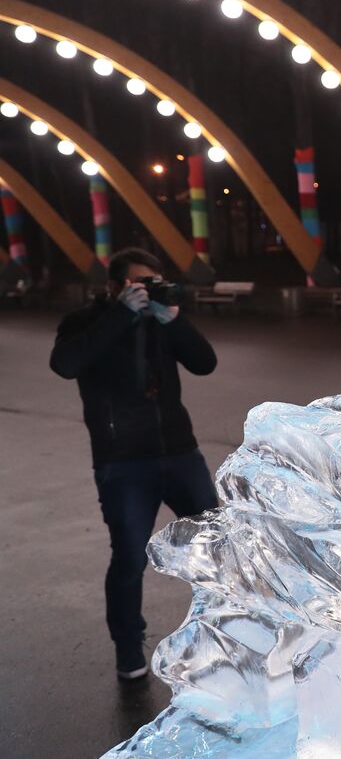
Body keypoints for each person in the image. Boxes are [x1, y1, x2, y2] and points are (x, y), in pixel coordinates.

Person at [49, 248, 220, 682]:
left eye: (155, 281)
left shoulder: (160, 320)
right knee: (129, 558)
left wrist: (173, 320)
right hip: (123, 463)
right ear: (115, 286)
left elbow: (205, 363)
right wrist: (120, 316)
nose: (148, 289)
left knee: (218, 547)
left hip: (180, 452)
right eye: (139, 282)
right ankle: (128, 648)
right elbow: (65, 364)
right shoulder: (85, 322)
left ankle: (226, 635)